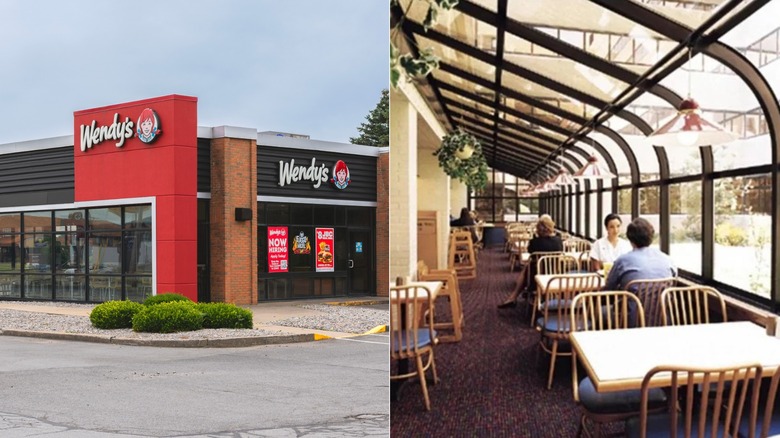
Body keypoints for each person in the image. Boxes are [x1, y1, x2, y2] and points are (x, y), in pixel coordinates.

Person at [498, 215, 563, 308]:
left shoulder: (535, 242)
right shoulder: (558, 241)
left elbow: (530, 251)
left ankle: (514, 297)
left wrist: (536, 237)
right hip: (554, 274)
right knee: (528, 266)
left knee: (527, 267)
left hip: (536, 275)